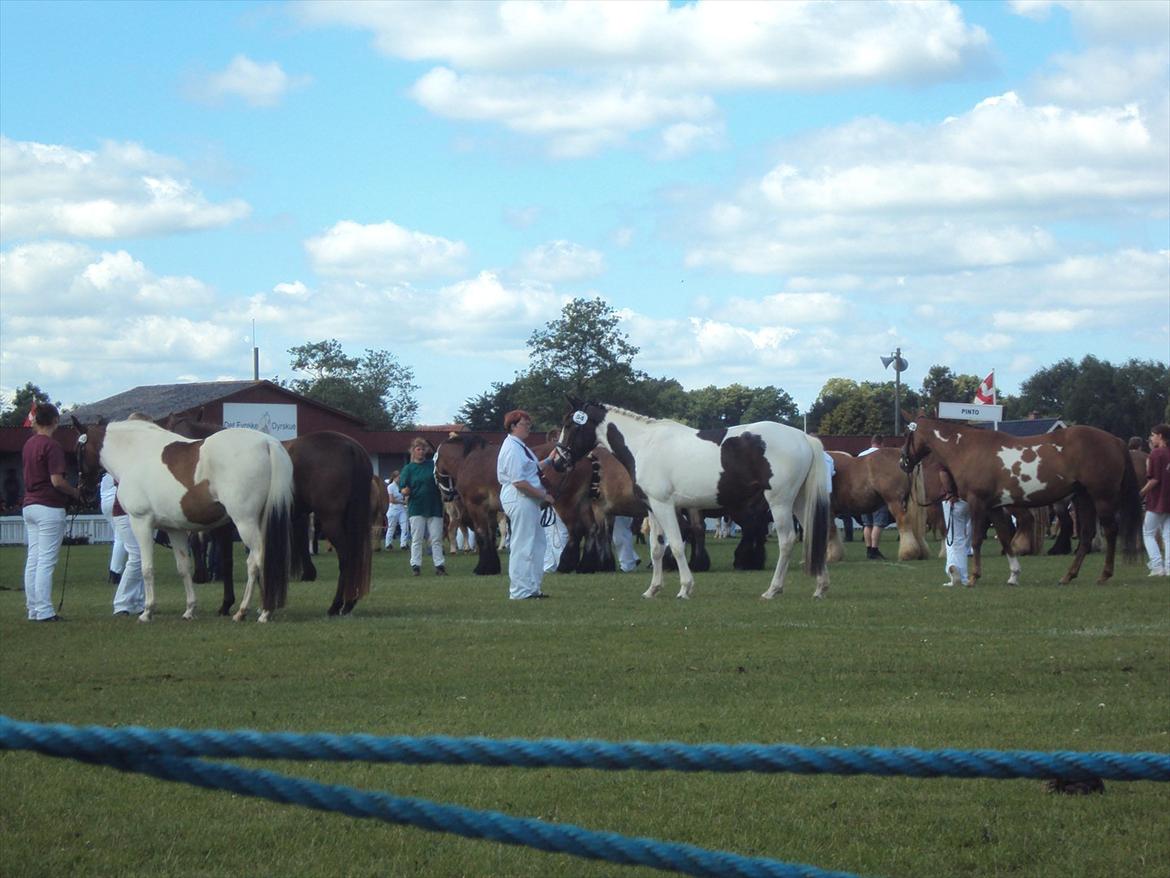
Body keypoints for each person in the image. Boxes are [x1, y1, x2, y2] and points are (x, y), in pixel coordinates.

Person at [21, 403, 81, 622]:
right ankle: (45, 610)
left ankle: (33, 608)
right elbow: (57, 481)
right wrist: (75, 493)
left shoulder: (29, 444)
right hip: (49, 506)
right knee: (46, 560)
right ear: (55, 420)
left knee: (34, 559)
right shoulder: (52, 446)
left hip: (30, 505)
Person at [497, 409, 556, 599]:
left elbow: (531, 470)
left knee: (537, 543)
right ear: (513, 426)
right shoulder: (512, 449)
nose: (528, 428)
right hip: (519, 497)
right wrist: (543, 495)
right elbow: (519, 482)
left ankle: (532, 587)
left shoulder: (520, 447)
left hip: (527, 498)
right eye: (525, 425)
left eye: (529, 425)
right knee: (523, 543)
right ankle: (520, 590)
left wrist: (549, 460)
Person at [398, 439, 446, 576]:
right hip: (417, 506)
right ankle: (416, 565)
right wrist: (404, 491)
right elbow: (402, 486)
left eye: (423, 449)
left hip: (434, 506)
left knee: (436, 538)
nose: (421, 452)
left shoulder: (432, 465)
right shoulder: (408, 469)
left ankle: (439, 565)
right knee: (417, 538)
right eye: (418, 449)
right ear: (412, 451)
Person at [1140, 424, 1170, 577]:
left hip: (1157, 499)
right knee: (1168, 534)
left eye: (1152, 435)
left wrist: (1140, 494)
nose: (1151, 438)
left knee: (1148, 533)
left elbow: (1154, 480)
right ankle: (1169, 567)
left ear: (1160, 436)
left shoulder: (1155, 454)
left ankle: (1157, 566)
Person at [938, 467, 972, 587]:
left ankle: (953, 569)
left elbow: (943, 472)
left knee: (953, 538)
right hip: (972, 501)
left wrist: (950, 492)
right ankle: (962, 575)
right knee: (966, 538)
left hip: (955, 500)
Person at [857, 435, 889, 559]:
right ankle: (875, 549)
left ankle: (868, 549)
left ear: (872, 442)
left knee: (867, 524)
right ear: (881, 443)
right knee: (878, 523)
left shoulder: (861, 455)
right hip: (877, 493)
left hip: (862, 493)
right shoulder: (882, 455)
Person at [99, 472, 128, 584]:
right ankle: (115, 572)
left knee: (119, 537)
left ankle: (115, 570)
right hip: (116, 499)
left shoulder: (107, 466)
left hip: (105, 502)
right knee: (121, 537)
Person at [384, 472, 409, 550]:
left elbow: (405, 495)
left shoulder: (402, 486)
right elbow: (391, 500)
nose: (400, 479)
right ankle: (388, 543)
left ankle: (403, 544)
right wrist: (402, 502)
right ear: (394, 478)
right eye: (398, 477)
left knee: (405, 526)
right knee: (391, 527)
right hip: (393, 509)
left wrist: (406, 500)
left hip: (402, 509)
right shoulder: (390, 487)